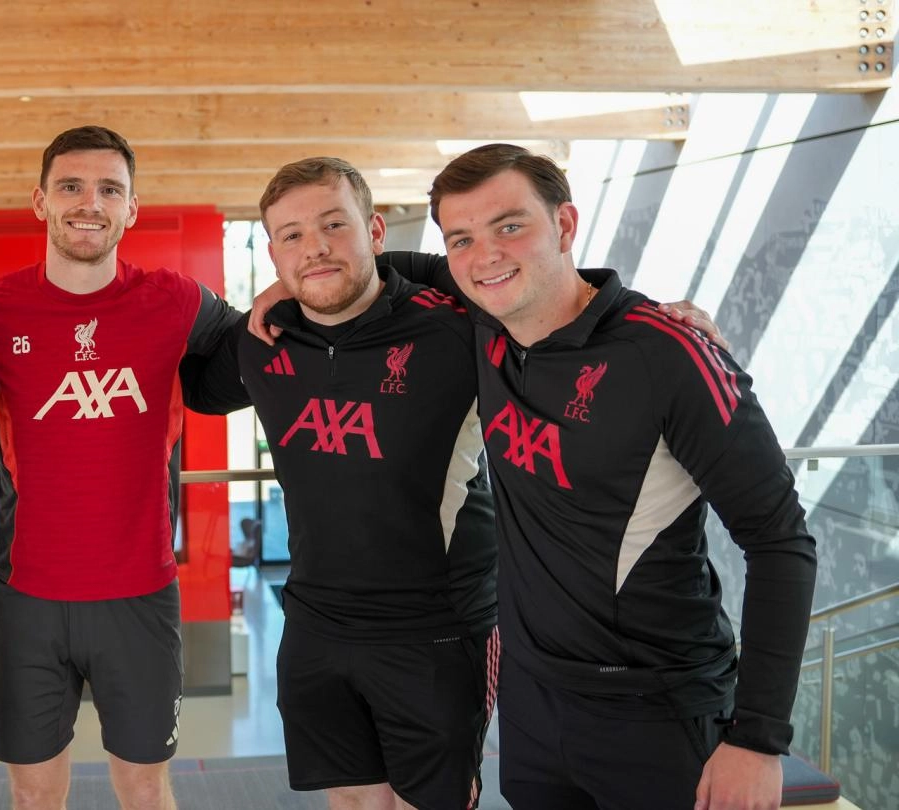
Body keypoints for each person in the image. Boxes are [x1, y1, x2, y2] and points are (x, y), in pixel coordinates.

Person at [427, 143, 816, 810]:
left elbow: (780, 540)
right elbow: (370, 269)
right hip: (533, 703)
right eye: (461, 238)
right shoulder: (485, 324)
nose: (485, 255)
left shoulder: (666, 355)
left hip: (657, 710)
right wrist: (280, 285)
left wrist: (758, 739)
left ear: (564, 224)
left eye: (509, 226)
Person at [180, 157, 500, 810]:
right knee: (351, 801)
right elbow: (198, 390)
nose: (315, 246)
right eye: (292, 236)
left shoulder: (456, 328)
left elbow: (524, 287)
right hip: (316, 626)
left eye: (335, 225)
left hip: (435, 630)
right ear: (272, 252)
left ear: (376, 231)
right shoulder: (264, 340)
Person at [0, 125, 240, 810]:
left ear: (131, 208)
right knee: (33, 793)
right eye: (71, 187)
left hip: (140, 595)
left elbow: (251, 353)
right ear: (41, 201)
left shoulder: (175, 300)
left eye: (110, 189)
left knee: (143, 786)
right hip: (26, 599)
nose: (90, 203)